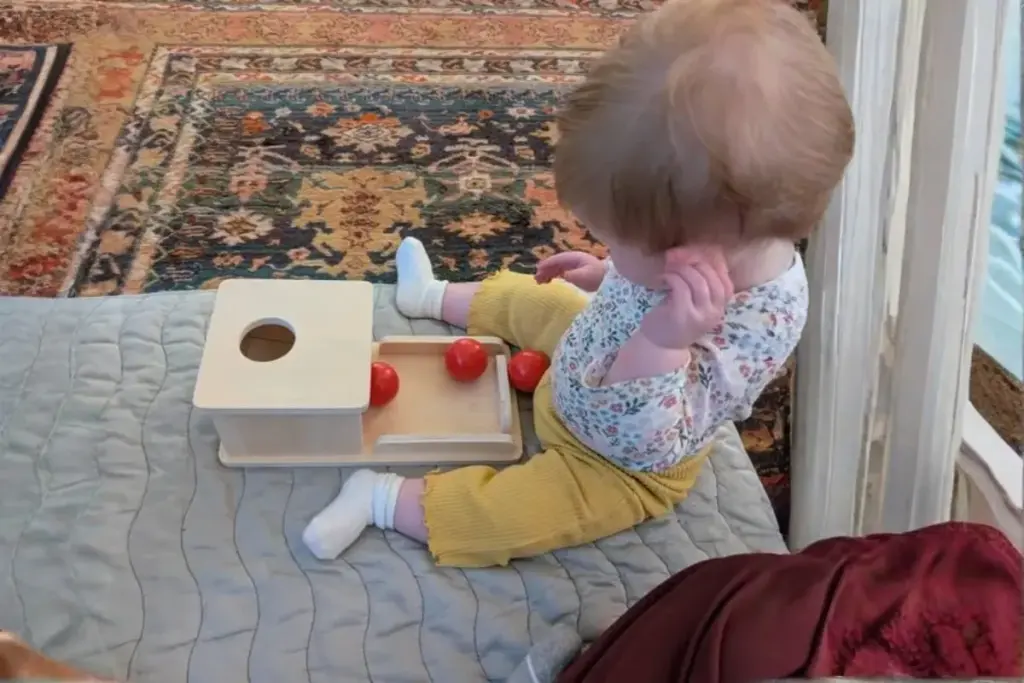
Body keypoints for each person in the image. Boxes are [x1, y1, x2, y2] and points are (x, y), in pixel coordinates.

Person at [302, 0, 855, 567]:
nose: (605, 244)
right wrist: (609, 275)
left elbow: (649, 433)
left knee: (520, 514)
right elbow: (634, 286)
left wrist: (664, 340)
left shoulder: (766, 320)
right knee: (542, 299)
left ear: (685, 257)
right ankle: (433, 296)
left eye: (616, 240)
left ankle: (383, 498)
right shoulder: (702, 245)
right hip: (590, 353)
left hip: (616, 459)